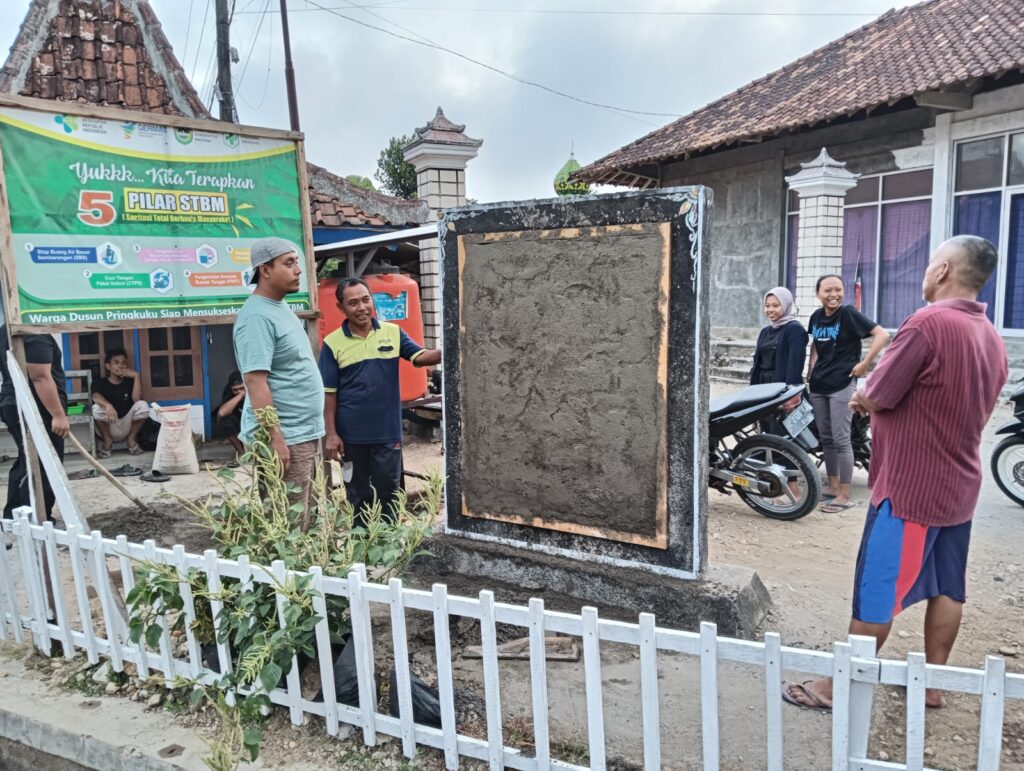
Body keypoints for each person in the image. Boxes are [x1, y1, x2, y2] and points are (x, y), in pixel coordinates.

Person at [783, 236, 1007, 712]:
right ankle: (932, 684)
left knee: (877, 588)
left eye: (930, 263)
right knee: (948, 586)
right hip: (959, 486)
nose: (925, 272)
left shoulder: (927, 324)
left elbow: (878, 392)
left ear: (943, 271)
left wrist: (864, 397)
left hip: (910, 490)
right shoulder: (989, 334)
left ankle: (835, 687)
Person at [319, 278, 441, 520]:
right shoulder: (332, 344)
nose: (362, 307)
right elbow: (328, 393)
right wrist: (331, 434)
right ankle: (361, 540)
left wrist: (450, 348)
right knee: (358, 495)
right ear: (341, 307)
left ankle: (391, 538)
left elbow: (419, 357)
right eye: (353, 303)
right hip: (351, 436)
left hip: (387, 433)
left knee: (389, 493)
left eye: (366, 300)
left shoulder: (392, 332)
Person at [233, 238, 325, 521]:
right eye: (289, 263)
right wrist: (275, 437)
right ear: (265, 270)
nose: (298, 270)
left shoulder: (279, 307)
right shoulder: (256, 317)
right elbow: (255, 382)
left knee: (307, 516)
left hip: (302, 433)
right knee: (288, 521)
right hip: (287, 437)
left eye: (296, 262)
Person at [806, 275, 889, 512]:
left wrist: (865, 363)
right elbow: (816, 344)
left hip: (842, 383)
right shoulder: (816, 317)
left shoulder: (849, 314)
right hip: (819, 384)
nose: (834, 294)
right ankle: (832, 486)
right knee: (826, 438)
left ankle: (844, 493)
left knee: (841, 438)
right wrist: (810, 370)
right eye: (828, 290)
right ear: (818, 293)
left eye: (838, 289)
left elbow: (882, 334)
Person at [0, 327, 71, 524]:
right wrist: (58, 415)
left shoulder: (8, 329)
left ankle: (17, 518)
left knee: (30, 461)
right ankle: (34, 520)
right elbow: (39, 376)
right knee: (43, 464)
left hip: (19, 404)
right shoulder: (33, 333)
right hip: (33, 408)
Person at [91, 348, 150, 457]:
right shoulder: (99, 382)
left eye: (124, 363)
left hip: (127, 426)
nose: (121, 366)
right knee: (96, 408)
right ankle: (107, 441)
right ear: (108, 366)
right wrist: (108, 405)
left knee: (143, 405)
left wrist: (136, 376)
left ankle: (131, 439)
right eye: (116, 362)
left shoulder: (130, 382)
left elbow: (137, 400)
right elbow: (95, 396)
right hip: (109, 426)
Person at [213, 371, 245, 456]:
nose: (238, 391)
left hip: (252, 421)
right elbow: (222, 413)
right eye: (235, 390)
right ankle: (241, 452)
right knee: (223, 419)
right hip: (238, 421)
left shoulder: (254, 388)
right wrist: (241, 395)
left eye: (242, 388)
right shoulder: (229, 390)